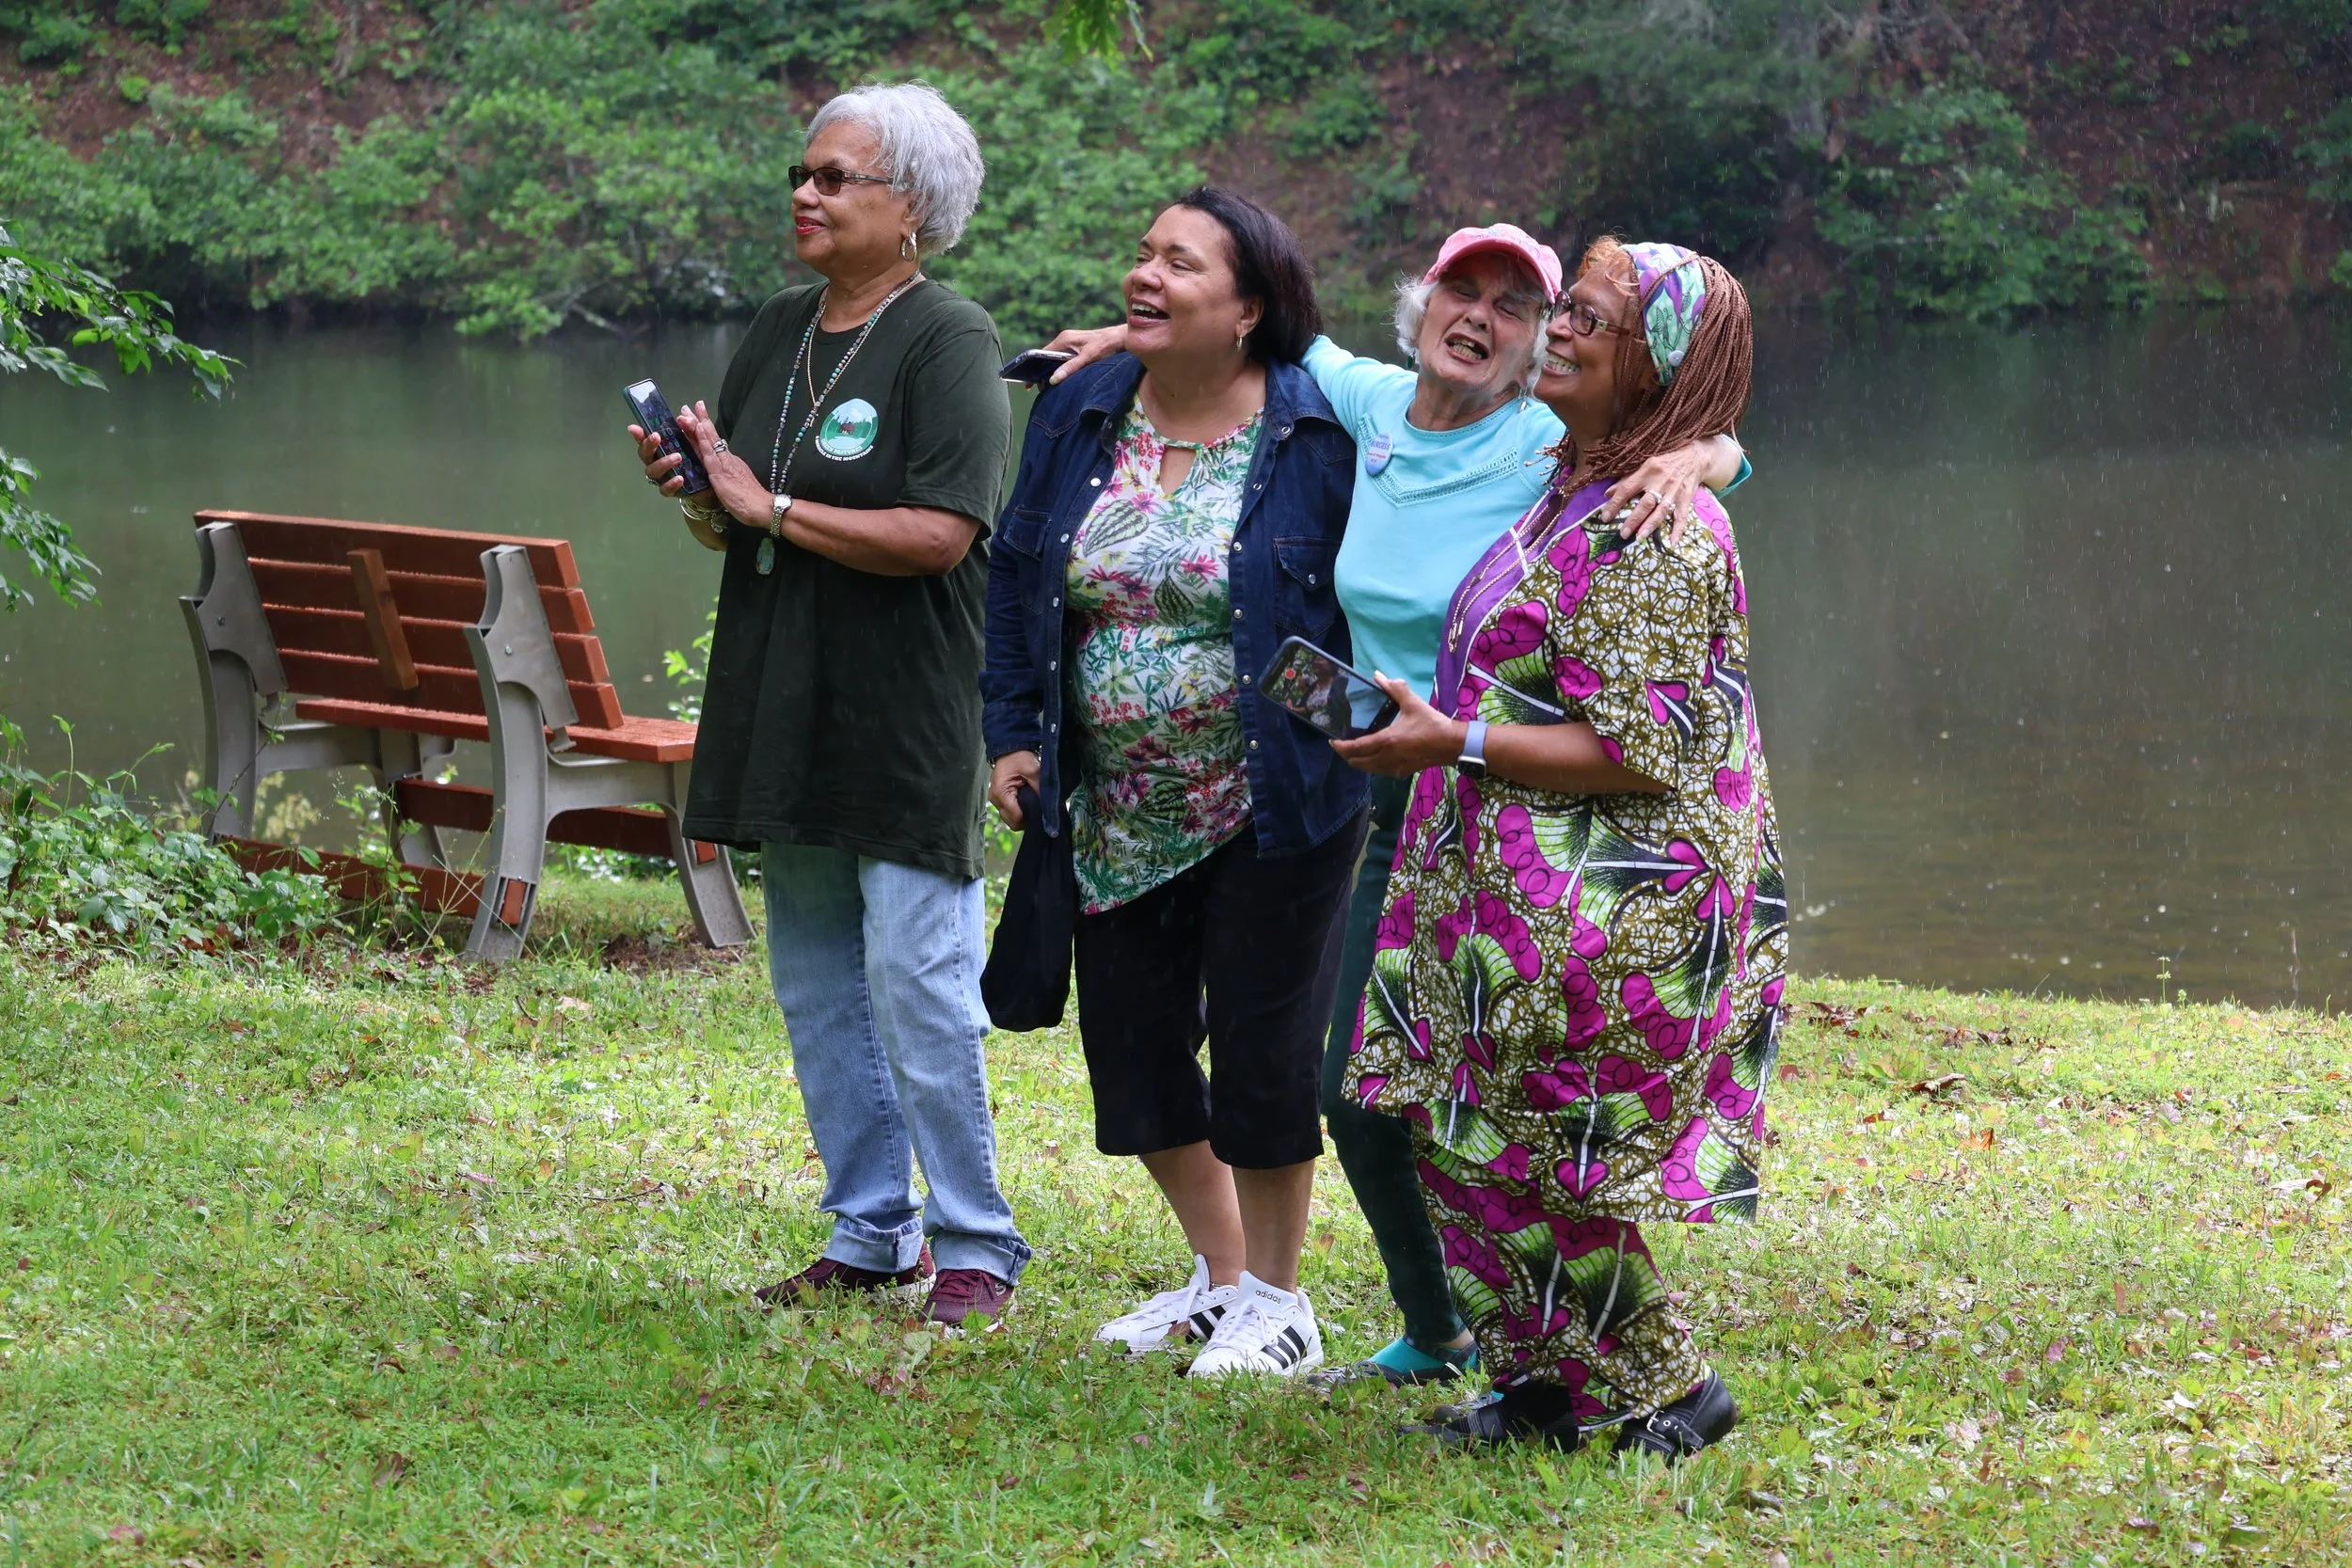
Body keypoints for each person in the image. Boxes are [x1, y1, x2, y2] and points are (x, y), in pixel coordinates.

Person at [1042, 224, 1747, 1388]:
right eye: (1462, 291)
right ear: (1418, 305)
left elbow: (1695, 418)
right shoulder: (1377, 405)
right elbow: (1257, 331)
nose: (1486, 317)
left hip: (1537, 819)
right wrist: (1134, 333)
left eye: (1526, 308)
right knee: (1379, 1092)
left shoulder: (1570, 457)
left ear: (1545, 351)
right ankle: (1461, 1337)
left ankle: (1628, 1372)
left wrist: (1703, 454)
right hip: (1413, 808)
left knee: (1466, 1103)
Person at [1336, 238, 1782, 1456]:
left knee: (1538, 1158)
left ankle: (1674, 1387)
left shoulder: (1664, 525)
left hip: (1612, 903)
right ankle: (1540, 1389)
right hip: (1511, 893)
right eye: (1568, 308)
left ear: (1657, 360)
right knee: (1467, 1139)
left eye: (1590, 316)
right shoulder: (1570, 480)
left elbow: (1641, 750)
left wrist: (1454, 738)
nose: (1561, 329)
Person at [628, 81, 1028, 1327]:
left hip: (902, 710)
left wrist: (770, 508)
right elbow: (734, 510)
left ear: (911, 209)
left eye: (836, 177)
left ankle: (977, 1242)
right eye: (803, 174)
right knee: (813, 977)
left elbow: (944, 532)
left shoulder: (950, 339)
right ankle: (870, 1229)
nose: (807, 193)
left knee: (917, 973)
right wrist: (695, 491)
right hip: (781, 694)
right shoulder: (778, 328)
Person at [980, 187, 1365, 1378]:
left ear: (1248, 307)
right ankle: (1220, 1275)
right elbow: (1016, 572)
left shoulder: (1320, 425)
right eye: (1140, 253)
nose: (1143, 275)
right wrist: (1011, 732)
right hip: (1110, 798)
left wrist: (1351, 733)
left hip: (1278, 791)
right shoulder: (1084, 402)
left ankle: (1282, 1301)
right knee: (1135, 1048)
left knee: (1262, 1044)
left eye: (1178, 263)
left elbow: (1376, 596)